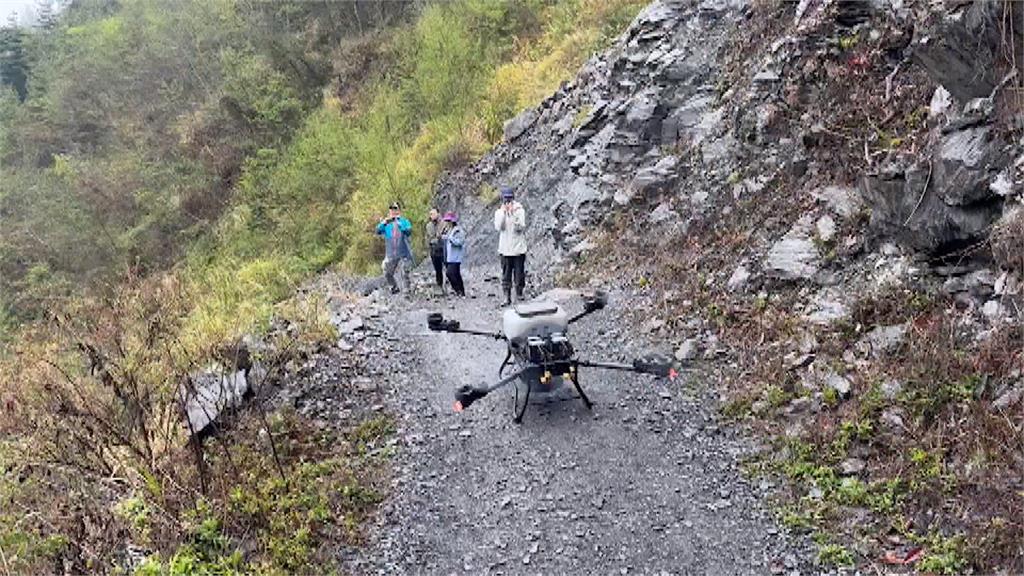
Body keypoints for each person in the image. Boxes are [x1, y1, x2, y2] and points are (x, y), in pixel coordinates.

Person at [493, 186, 527, 306]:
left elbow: (521, 227)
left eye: (509, 199)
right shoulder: (498, 212)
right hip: (505, 249)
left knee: (519, 273)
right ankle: (506, 296)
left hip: (518, 249)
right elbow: (499, 227)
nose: (507, 202)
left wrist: (514, 215)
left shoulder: (520, 210)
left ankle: (519, 293)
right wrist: (504, 213)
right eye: (505, 199)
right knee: (506, 274)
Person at [376, 202, 413, 294]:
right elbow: (378, 230)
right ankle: (394, 287)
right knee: (386, 271)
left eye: (395, 209)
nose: (393, 211)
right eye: (391, 209)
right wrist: (384, 222)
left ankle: (407, 290)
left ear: (399, 210)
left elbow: (409, 232)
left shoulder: (404, 221)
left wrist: (401, 226)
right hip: (391, 253)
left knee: (405, 271)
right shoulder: (386, 223)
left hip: (404, 251)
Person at [443, 211, 466, 297]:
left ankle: (458, 290)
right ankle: (461, 291)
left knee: (450, 273)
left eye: (448, 221)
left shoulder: (458, 231)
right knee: (456, 274)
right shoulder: (450, 230)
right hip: (450, 257)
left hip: (456, 257)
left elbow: (460, 242)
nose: (447, 223)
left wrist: (450, 239)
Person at [425, 208, 447, 293]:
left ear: (438, 213)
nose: (432, 216)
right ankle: (440, 287)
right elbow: (427, 238)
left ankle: (454, 286)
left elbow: (446, 235)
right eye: (430, 214)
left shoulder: (444, 223)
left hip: (443, 249)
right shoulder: (428, 225)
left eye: (433, 214)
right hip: (434, 251)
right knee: (438, 270)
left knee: (449, 268)